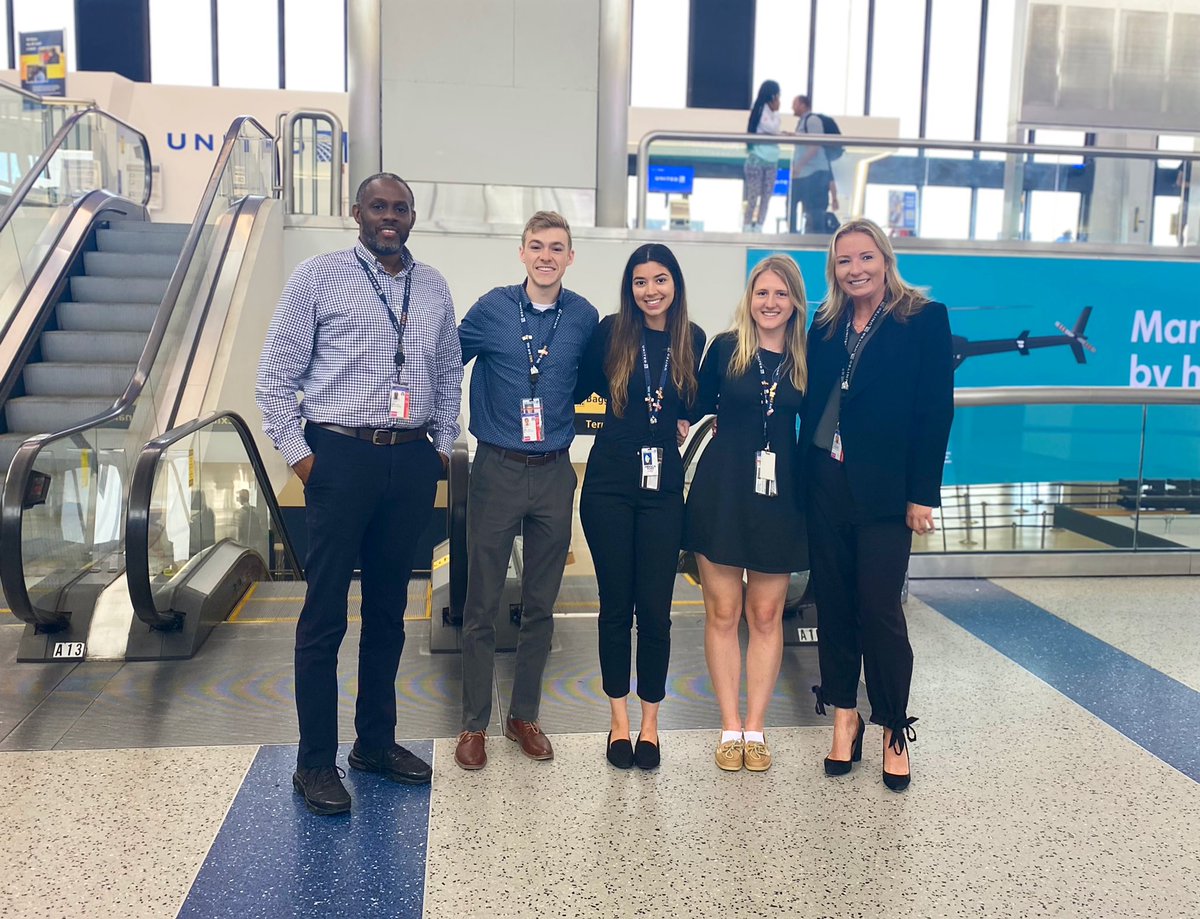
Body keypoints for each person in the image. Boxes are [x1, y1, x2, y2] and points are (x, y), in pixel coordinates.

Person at [256, 173, 463, 815]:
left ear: (412, 216)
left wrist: (441, 443)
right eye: (379, 206)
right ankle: (314, 761)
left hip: (409, 461)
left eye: (401, 208)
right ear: (357, 213)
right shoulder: (316, 278)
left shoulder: (432, 286)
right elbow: (273, 380)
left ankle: (374, 742)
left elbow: (448, 371)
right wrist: (307, 464)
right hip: (339, 456)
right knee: (323, 617)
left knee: (388, 614)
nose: (390, 216)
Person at [802, 218, 954, 792]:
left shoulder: (923, 319)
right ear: (834, 270)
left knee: (881, 611)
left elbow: (935, 411)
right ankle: (845, 717)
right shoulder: (823, 324)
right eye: (845, 262)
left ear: (885, 259)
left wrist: (922, 494)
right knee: (834, 606)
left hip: (889, 493)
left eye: (866, 258)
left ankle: (892, 725)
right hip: (825, 482)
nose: (856, 269)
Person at [454, 211, 599, 771]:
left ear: (569, 257)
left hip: (556, 473)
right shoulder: (491, 308)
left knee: (541, 605)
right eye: (536, 246)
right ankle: (474, 724)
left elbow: (603, 375)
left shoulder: (583, 317)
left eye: (556, 247)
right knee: (481, 604)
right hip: (496, 468)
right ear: (521, 253)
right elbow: (446, 363)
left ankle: (523, 716)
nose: (546, 256)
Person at [574, 244, 705, 771]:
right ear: (629, 289)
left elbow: (697, 405)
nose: (651, 291)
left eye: (660, 280)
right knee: (615, 607)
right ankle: (619, 722)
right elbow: (578, 388)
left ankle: (651, 723)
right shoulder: (610, 332)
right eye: (640, 282)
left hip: (663, 492)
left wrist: (678, 423)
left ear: (675, 283)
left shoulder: (691, 340)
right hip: (607, 485)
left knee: (654, 610)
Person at [684, 256, 808, 773]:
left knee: (765, 615)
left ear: (796, 301)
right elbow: (690, 404)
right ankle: (729, 724)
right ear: (749, 298)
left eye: (781, 293)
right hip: (723, 491)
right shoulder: (726, 348)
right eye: (762, 293)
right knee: (723, 613)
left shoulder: (806, 356)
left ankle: (756, 729)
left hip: (780, 497)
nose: (770, 302)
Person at [789, 95, 838, 234]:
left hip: (814, 172)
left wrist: (799, 165)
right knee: (794, 203)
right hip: (805, 173)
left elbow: (815, 145)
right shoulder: (802, 122)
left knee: (815, 210)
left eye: (795, 104)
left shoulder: (813, 120)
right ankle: (794, 233)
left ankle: (815, 237)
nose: (792, 107)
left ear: (803, 105)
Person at [744, 80, 782, 233]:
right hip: (757, 159)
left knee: (767, 195)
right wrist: (776, 112)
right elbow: (772, 128)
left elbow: (775, 129)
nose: (779, 101)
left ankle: (759, 225)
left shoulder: (772, 113)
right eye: (778, 97)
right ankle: (747, 225)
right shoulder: (761, 109)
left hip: (771, 160)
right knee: (753, 194)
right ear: (772, 96)